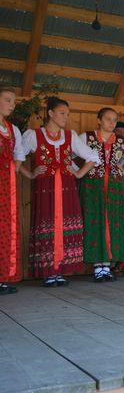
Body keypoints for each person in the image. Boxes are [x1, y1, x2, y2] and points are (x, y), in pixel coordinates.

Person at [22, 97, 100, 286]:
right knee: (47, 223)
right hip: (45, 187)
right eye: (62, 113)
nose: (66, 117)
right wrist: (30, 174)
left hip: (66, 187)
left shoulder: (71, 136)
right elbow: (17, 155)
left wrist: (79, 173)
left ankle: (61, 270)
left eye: (67, 114)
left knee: (65, 224)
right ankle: (49, 271)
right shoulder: (34, 135)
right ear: (50, 113)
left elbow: (93, 156)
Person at [78, 107, 124, 282]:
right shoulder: (86, 137)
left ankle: (107, 265)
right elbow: (68, 154)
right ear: (99, 120)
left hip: (115, 188)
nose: (111, 122)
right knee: (96, 222)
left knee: (113, 223)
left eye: (114, 119)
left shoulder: (121, 140)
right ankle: (98, 266)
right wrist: (78, 171)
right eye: (108, 119)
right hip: (93, 186)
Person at [0, 88, 25, 295]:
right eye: (8, 100)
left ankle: (3, 277)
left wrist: (12, 169)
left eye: (13, 101)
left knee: (5, 228)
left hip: (7, 187)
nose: (12, 104)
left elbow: (19, 155)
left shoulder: (13, 129)